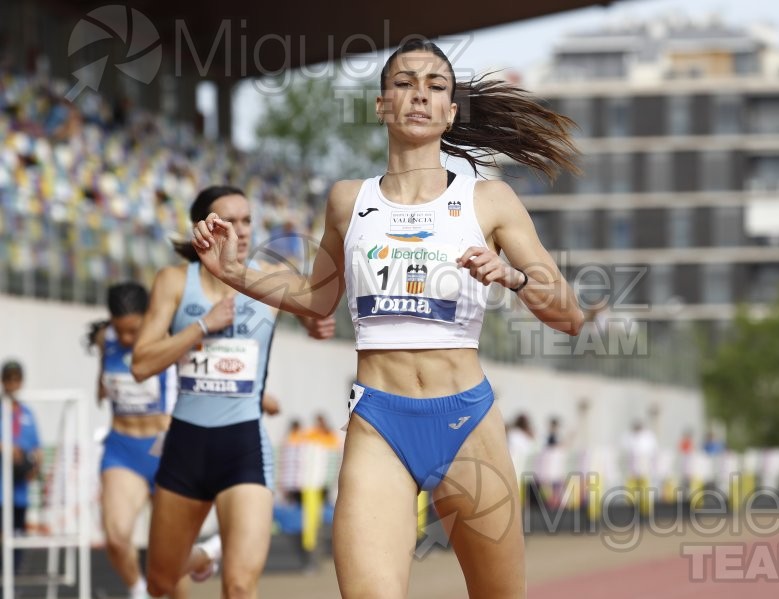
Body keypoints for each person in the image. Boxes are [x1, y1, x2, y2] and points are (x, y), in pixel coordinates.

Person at [192, 39, 584, 597]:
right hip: (380, 423)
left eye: (435, 86)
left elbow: (569, 315)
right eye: (403, 84)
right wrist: (234, 271)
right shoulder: (348, 201)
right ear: (381, 105)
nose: (418, 96)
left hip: (467, 422)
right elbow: (315, 298)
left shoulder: (489, 201)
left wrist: (512, 276)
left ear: (451, 111)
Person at [131, 185, 335, 598]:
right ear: (201, 229)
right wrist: (202, 326)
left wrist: (315, 324)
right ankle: (202, 557)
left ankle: (215, 559)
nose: (240, 230)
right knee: (160, 583)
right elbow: (141, 364)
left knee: (240, 587)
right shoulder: (174, 282)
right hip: (186, 445)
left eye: (246, 221)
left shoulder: (273, 279)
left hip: (244, 445)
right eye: (228, 221)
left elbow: (314, 308)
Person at [87, 283, 191, 599]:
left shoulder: (169, 338)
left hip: (163, 448)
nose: (127, 339)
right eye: (121, 331)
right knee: (116, 537)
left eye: (134, 331)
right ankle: (137, 591)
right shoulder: (107, 340)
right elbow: (102, 384)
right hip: (123, 450)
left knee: (171, 560)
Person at [0, 360, 41, 574]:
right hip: (0, 492)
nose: (13, 384)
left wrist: (33, 463)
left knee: (17, 540)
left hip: (20, 493)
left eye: (16, 379)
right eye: (9, 379)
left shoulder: (27, 413)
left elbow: (37, 447)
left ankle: (11, 584)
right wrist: (7, 449)